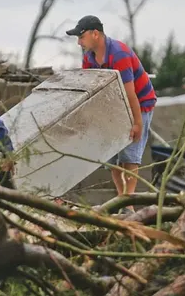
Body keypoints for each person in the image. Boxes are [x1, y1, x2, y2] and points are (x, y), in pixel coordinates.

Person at [65, 15, 157, 212]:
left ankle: (128, 202)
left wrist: (137, 123)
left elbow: (131, 93)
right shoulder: (89, 57)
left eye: (81, 37)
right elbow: (91, 89)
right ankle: (122, 199)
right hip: (114, 105)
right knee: (113, 156)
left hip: (139, 104)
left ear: (95, 34)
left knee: (130, 156)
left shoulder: (119, 54)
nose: (78, 42)